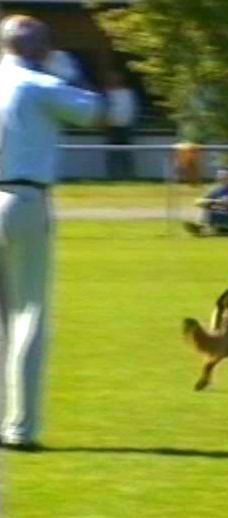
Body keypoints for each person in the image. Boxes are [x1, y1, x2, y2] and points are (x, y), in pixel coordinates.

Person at [0, 15, 103, 451]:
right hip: (24, 198)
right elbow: (93, 110)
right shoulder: (38, 85)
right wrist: (70, 69)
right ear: (39, 48)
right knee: (30, 315)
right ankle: (21, 427)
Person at [104, 71, 137, 180]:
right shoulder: (109, 93)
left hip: (125, 126)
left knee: (126, 153)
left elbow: (130, 109)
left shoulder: (127, 93)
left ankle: (128, 175)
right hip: (112, 126)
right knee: (113, 153)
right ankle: (113, 175)